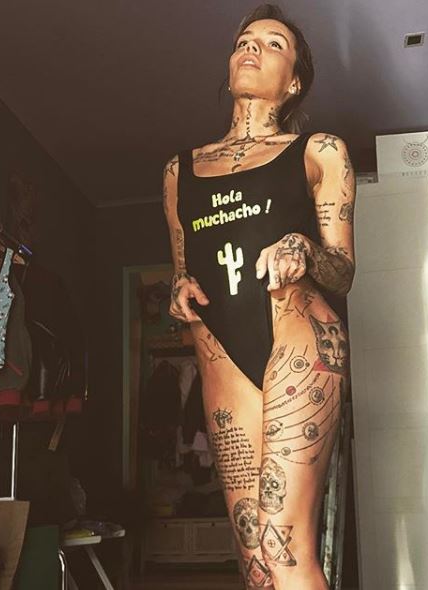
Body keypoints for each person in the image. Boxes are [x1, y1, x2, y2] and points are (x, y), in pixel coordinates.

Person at [162, 4, 356, 589]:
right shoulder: (179, 172)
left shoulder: (320, 151)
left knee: (284, 544)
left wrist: (303, 247)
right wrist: (178, 289)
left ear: (294, 81)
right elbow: (182, 272)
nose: (252, 48)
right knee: (254, 560)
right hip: (220, 347)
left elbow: (342, 271)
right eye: (245, 41)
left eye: (274, 44)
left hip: (297, 333)